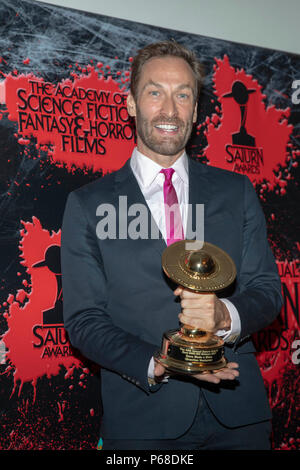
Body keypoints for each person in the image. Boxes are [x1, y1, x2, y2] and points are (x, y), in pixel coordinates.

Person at [61, 41, 282, 450]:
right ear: (130, 103)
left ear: (196, 111)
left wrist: (223, 314)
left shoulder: (235, 192)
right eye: (155, 92)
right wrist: (159, 360)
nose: (170, 109)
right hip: (145, 422)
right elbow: (84, 320)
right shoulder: (90, 205)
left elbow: (268, 291)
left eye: (183, 95)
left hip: (239, 419)